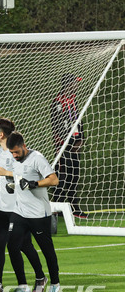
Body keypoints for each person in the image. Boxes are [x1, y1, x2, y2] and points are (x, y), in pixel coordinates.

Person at [0, 118, 46, 292]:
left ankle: (36, 279)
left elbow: (25, 173)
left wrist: (5, 173)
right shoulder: (1, 152)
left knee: (22, 245)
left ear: (1, 134)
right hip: (2, 206)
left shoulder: (18, 153)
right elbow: (5, 174)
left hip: (18, 208)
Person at [6, 131, 61, 292]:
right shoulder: (14, 160)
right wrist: (13, 185)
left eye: (16, 152)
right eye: (12, 153)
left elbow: (53, 180)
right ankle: (24, 285)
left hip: (38, 213)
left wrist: (34, 184)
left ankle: (55, 284)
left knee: (46, 249)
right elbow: (21, 180)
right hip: (20, 211)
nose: (14, 155)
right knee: (13, 245)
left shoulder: (37, 158)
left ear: (24, 146)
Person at [51, 73, 87, 218]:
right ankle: (56, 207)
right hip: (63, 147)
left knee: (74, 177)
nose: (76, 86)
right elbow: (57, 127)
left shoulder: (73, 101)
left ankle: (73, 207)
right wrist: (66, 144)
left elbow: (78, 122)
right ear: (67, 85)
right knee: (62, 177)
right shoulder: (57, 103)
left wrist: (81, 139)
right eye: (74, 83)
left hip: (75, 144)